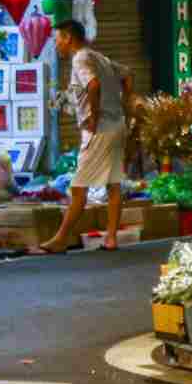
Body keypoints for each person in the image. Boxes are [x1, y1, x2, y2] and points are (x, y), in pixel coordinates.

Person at [32, 21, 132, 254]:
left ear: (68, 37)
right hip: (117, 125)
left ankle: (60, 240)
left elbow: (93, 85)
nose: (56, 44)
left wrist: (93, 116)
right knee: (113, 184)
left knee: (78, 188)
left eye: (57, 39)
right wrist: (124, 105)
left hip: (100, 130)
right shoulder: (99, 57)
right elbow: (127, 75)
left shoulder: (80, 59)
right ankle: (110, 239)